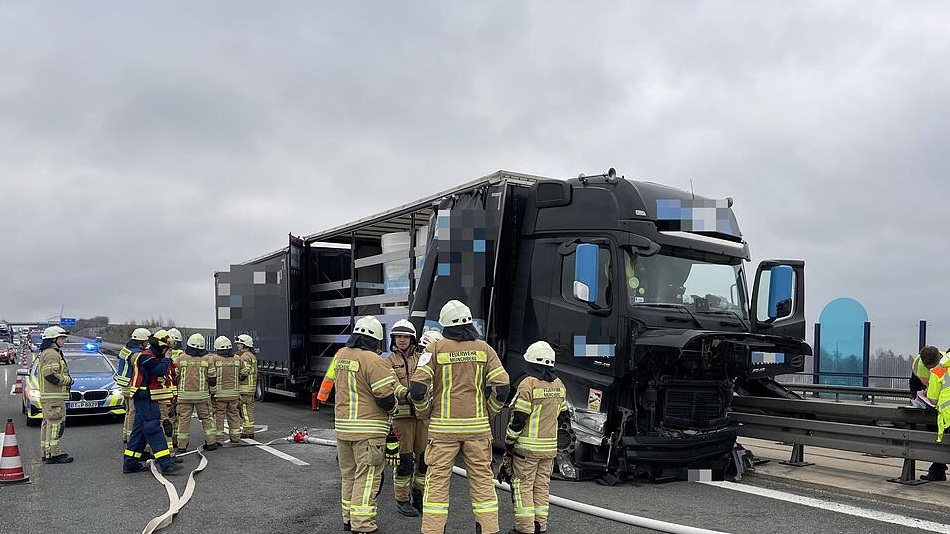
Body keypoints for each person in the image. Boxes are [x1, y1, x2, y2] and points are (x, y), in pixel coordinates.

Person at [409, 300, 510, 534]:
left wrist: (425, 413)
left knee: (437, 485)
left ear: (445, 325)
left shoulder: (434, 349)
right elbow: (502, 388)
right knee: (483, 484)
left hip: (443, 430)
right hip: (477, 429)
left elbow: (416, 388)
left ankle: (433, 530)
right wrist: (488, 411)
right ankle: (488, 529)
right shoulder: (484, 349)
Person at [333, 316, 398, 533]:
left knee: (349, 475)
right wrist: (394, 409)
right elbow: (385, 398)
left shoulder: (341, 355)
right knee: (367, 477)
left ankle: (348, 518)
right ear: (376, 340)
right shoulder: (374, 360)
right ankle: (363, 524)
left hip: (343, 428)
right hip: (368, 430)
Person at [504, 341, 567, 534]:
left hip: (527, 450)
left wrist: (509, 442)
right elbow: (563, 415)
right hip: (548, 450)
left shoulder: (528, 383)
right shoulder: (559, 384)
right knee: (541, 488)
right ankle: (540, 526)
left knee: (522, 486)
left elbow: (519, 418)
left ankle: (524, 529)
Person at [123, 331, 182, 475]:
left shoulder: (153, 355)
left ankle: (130, 464)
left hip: (147, 398)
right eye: (165, 349)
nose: (167, 352)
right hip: (144, 398)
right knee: (153, 428)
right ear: (159, 346)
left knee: (140, 432)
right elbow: (159, 370)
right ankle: (166, 464)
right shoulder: (146, 356)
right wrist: (167, 359)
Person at [385, 319, 426, 517]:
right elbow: (392, 384)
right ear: (393, 339)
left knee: (425, 461)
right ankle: (402, 500)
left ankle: (419, 496)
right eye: (398, 336)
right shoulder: (387, 362)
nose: (402, 340)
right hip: (402, 419)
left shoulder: (423, 359)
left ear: (412, 339)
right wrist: (408, 394)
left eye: (406, 336)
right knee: (405, 462)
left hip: (423, 417)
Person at [175, 333, 220, 453]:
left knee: (184, 419)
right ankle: (211, 442)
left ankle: (181, 446)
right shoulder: (207, 359)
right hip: (202, 396)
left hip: (184, 396)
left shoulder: (181, 358)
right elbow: (212, 378)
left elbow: (175, 376)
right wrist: (213, 393)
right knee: (206, 418)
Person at [37, 326, 74, 464]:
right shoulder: (52, 354)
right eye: (62, 338)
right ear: (53, 339)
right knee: (55, 425)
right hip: (53, 397)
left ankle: (46, 452)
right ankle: (54, 453)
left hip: (50, 396)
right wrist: (68, 380)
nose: (64, 340)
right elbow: (50, 375)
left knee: (48, 424)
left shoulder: (47, 353)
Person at [118, 328, 151, 442]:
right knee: (133, 411)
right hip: (132, 385)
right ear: (140, 341)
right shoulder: (136, 354)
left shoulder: (125, 350)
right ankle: (131, 436)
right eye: (146, 341)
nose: (147, 344)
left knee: (128, 411)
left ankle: (126, 435)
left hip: (124, 384)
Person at [209, 336, 244, 444]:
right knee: (233, 415)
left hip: (219, 395)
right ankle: (235, 437)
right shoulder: (237, 358)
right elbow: (243, 373)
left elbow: (211, 376)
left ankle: (219, 439)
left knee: (219, 416)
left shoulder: (213, 359)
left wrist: (211, 391)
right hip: (234, 394)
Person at [924, 349, 950, 481]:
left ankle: (937, 470)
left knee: (941, 443)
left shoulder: (938, 370)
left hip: (948, 415)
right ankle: (937, 470)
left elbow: (933, 399)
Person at [234, 334, 258, 438]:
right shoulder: (252, 356)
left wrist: (237, 377)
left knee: (245, 410)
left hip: (245, 388)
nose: (238, 346)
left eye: (240, 344)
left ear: (245, 345)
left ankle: (248, 431)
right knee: (248, 409)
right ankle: (249, 429)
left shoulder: (244, 357)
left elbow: (244, 371)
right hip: (251, 388)